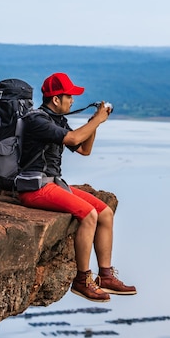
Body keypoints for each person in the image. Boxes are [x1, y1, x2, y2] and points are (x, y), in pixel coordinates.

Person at [17, 72, 136, 303]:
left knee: (104, 212)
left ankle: (106, 275)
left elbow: (83, 150)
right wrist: (96, 121)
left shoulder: (57, 120)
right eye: (69, 96)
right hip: (35, 188)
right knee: (88, 214)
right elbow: (72, 140)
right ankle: (82, 280)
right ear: (55, 99)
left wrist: (95, 123)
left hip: (53, 184)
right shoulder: (37, 120)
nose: (72, 101)